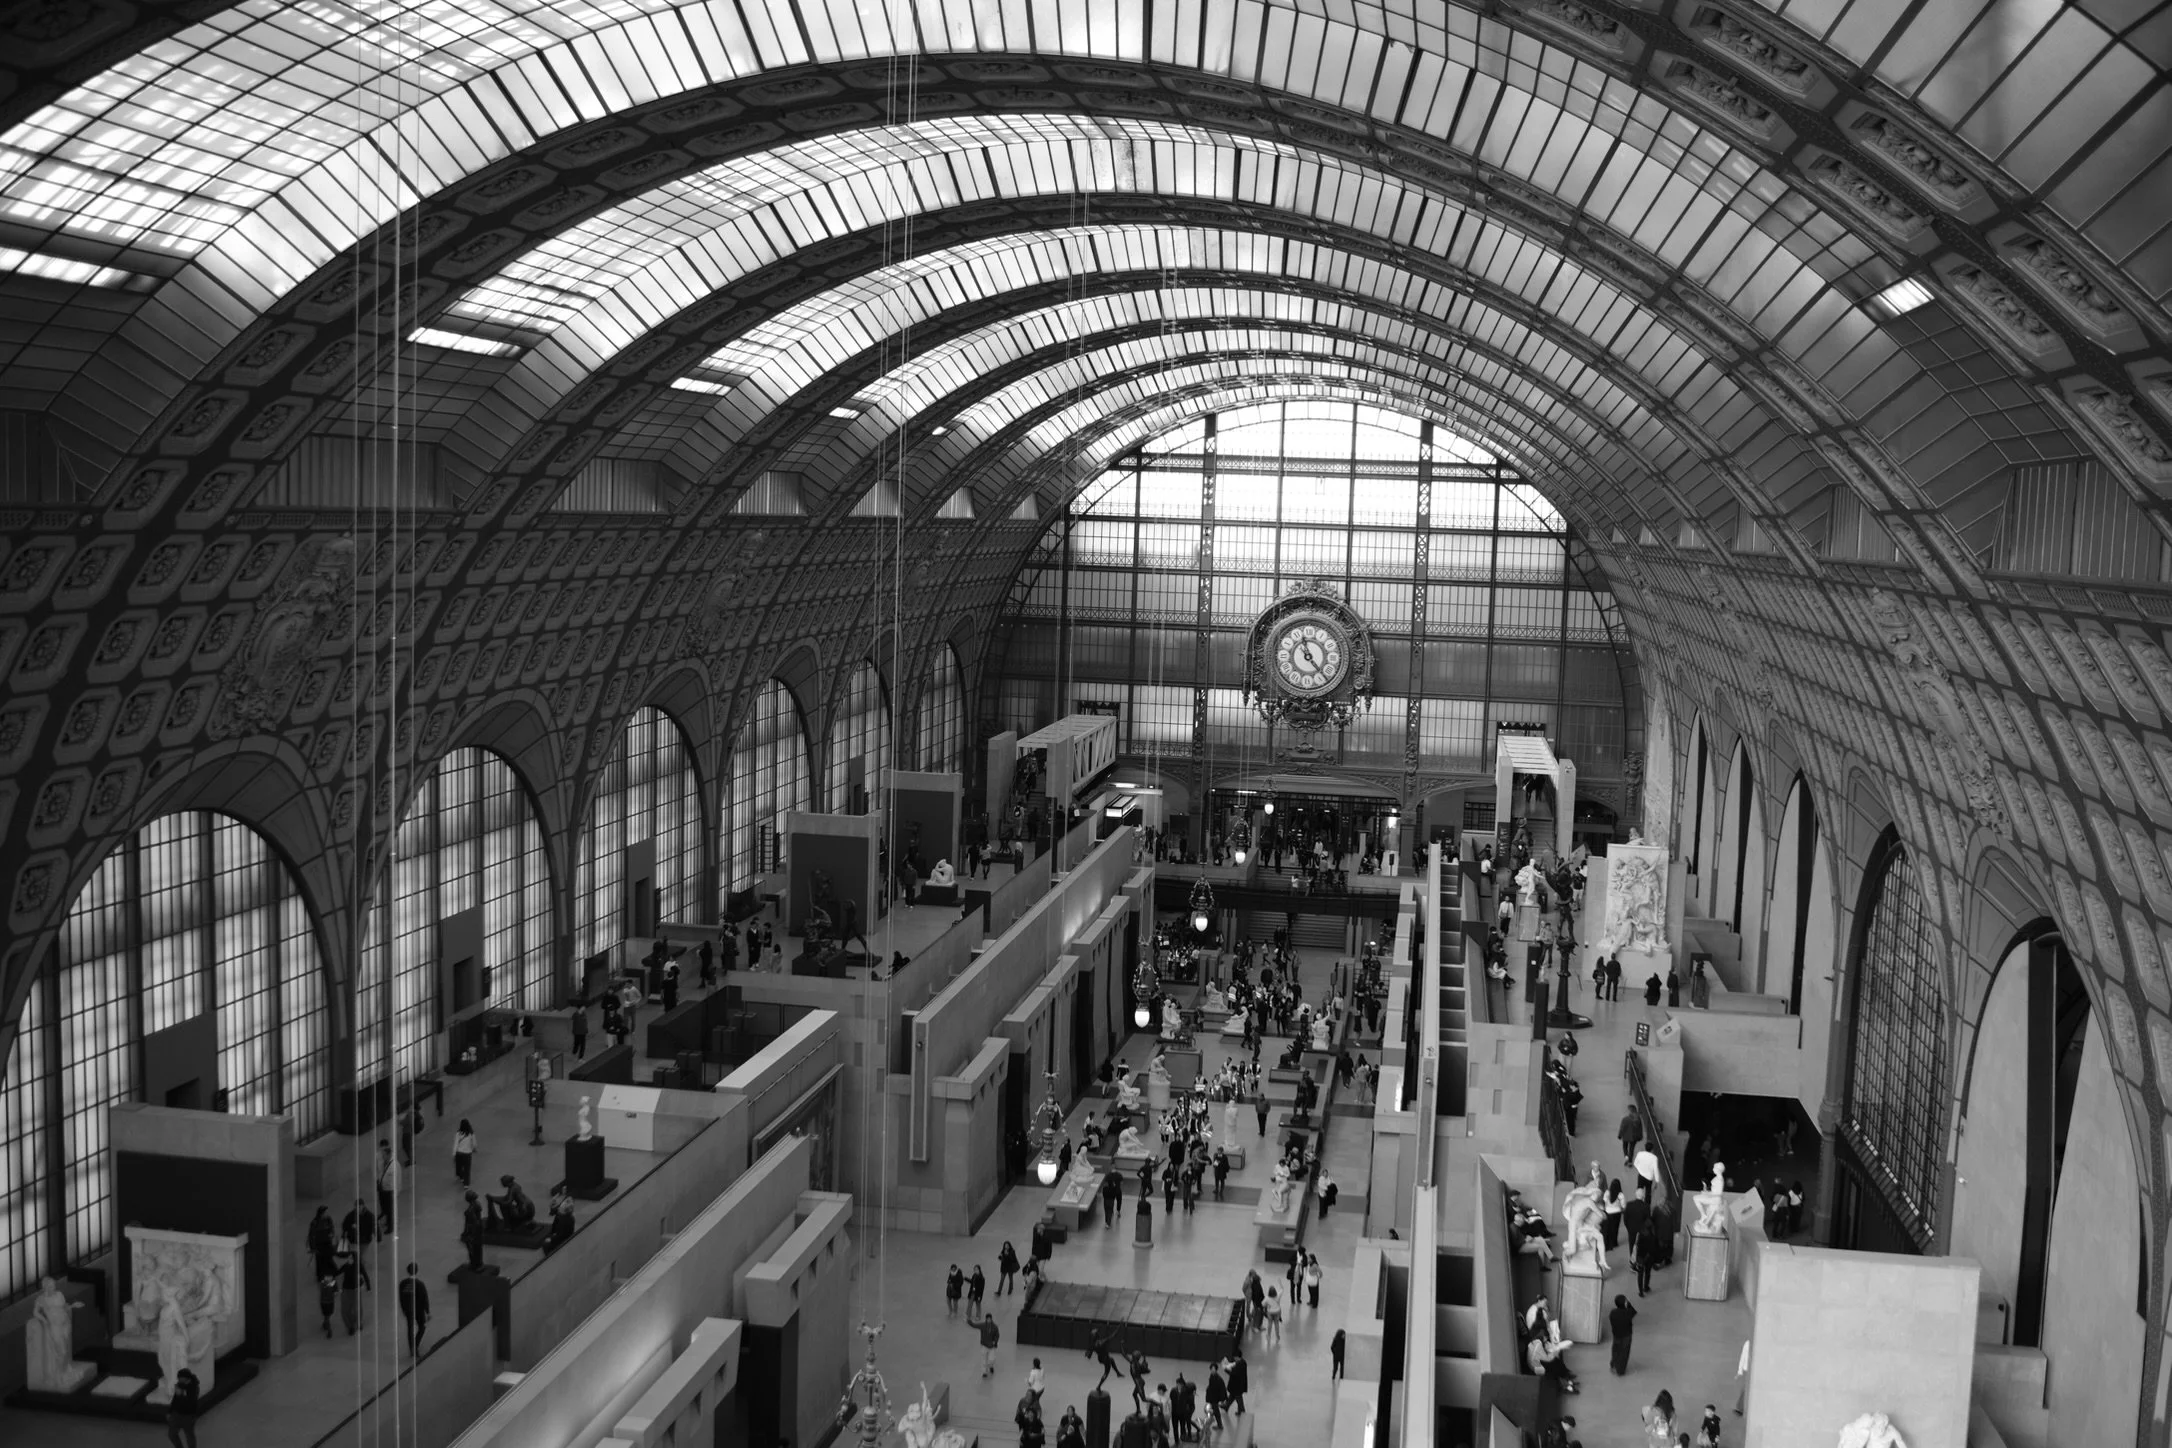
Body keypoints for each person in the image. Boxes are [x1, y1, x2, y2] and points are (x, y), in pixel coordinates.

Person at [397, 1261, 430, 1357]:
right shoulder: (420, 1284)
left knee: (410, 1328)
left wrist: (404, 1309)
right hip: (419, 1310)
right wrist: (427, 1311)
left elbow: (401, 1297)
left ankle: (412, 1348)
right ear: (417, 1271)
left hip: (408, 1310)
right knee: (422, 1327)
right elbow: (425, 1298)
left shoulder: (402, 1283)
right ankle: (415, 1345)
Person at [165, 1365, 201, 1448]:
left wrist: (181, 1394)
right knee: (172, 1434)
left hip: (188, 1416)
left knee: (189, 1435)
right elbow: (175, 1399)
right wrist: (170, 1411)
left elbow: (191, 1403)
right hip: (176, 1414)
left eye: (180, 1378)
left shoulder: (194, 1387)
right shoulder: (180, 1384)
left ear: (186, 1378)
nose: (178, 1379)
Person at [1608, 1294, 1636, 1375]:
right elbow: (1633, 1312)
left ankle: (1613, 1364)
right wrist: (1629, 1305)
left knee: (1616, 1349)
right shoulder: (1628, 1313)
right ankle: (1620, 1370)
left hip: (1616, 1334)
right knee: (1624, 1352)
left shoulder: (1613, 1312)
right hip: (1626, 1335)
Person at [1632, 1219, 1660, 1297]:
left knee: (1640, 1275)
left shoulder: (1640, 1234)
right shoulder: (1653, 1236)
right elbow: (1655, 1248)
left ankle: (1640, 1292)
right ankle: (1646, 1287)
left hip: (1640, 1257)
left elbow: (1638, 1246)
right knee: (1648, 1273)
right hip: (1649, 1257)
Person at [377, 1138, 398, 1234]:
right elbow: (377, 1169)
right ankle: (385, 1218)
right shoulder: (378, 1156)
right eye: (382, 1149)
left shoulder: (392, 1159)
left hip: (389, 1188)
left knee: (389, 1208)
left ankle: (391, 1226)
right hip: (381, 1184)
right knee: (383, 1204)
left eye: (384, 1149)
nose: (383, 1151)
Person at [460, 1190, 484, 1274]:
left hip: (473, 1231)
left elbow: (473, 1222)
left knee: (472, 1249)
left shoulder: (471, 1209)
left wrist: (468, 1233)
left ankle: (476, 1264)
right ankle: (477, 1263)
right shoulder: (477, 1204)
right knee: (477, 1248)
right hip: (477, 1230)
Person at [453, 1118, 477, 1186]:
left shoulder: (458, 1133)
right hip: (467, 1154)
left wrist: (454, 1153)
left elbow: (455, 1144)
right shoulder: (471, 1133)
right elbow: (474, 1143)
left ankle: (461, 1177)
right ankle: (466, 1184)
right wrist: (473, 1148)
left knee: (459, 1167)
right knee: (467, 1169)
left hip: (459, 1153)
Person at [1602, 1179, 1625, 1249]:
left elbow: (1604, 1200)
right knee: (1615, 1228)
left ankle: (1608, 1243)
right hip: (1617, 1213)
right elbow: (1623, 1205)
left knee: (1608, 1228)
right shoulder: (1620, 1195)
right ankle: (1614, 1242)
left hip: (1608, 1212)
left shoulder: (1607, 1192)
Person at [1204, 1363, 1229, 1429]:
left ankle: (1219, 1425)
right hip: (1212, 1397)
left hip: (1215, 1398)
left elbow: (1222, 1389)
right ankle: (1217, 1424)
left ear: (1216, 1370)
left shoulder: (1218, 1379)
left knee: (1216, 1412)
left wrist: (1222, 1399)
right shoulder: (1212, 1376)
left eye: (1214, 1369)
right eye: (1211, 1369)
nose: (1212, 1370)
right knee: (1213, 1411)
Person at [979, 1311, 1001, 1377]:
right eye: (987, 1319)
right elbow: (974, 1325)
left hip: (992, 1346)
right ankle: (984, 1372)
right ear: (986, 1319)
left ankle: (991, 1366)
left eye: (990, 1319)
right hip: (984, 1345)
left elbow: (997, 1335)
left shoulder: (994, 1327)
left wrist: (995, 1341)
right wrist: (969, 1321)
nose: (988, 1320)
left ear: (991, 1319)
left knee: (991, 1359)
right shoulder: (983, 1325)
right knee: (984, 1360)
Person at [1226, 1350, 1248, 1414]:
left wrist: (1226, 1370)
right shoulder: (1241, 1362)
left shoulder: (1240, 1364)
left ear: (1237, 1357)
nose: (1234, 1359)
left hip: (1237, 1385)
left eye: (1234, 1357)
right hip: (1237, 1385)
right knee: (1232, 1396)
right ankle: (1226, 1406)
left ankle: (1242, 1411)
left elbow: (1234, 1373)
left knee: (1238, 1399)